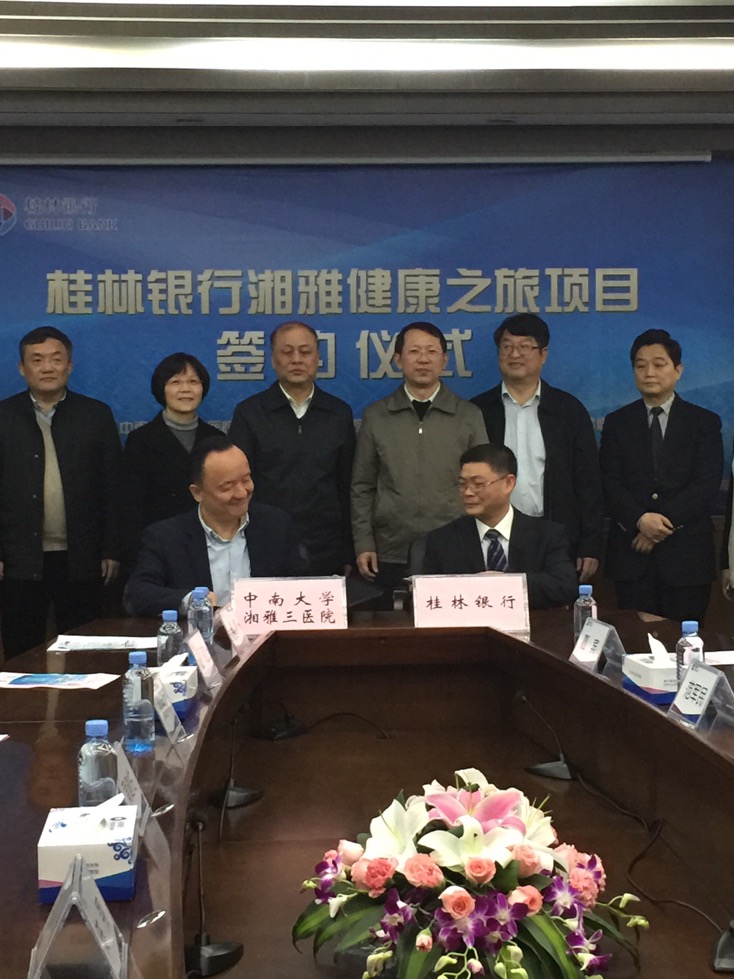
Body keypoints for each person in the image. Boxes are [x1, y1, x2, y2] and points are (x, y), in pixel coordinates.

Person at [0, 326, 121, 658]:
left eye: (56, 359)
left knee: (84, 653)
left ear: (69, 365)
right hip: (19, 559)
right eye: (37, 360)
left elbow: (113, 488)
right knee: (21, 653)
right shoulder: (4, 417)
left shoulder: (95, 415)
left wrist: (111, 549)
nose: (47, 367)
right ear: (22, 368)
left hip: (82, 558)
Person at [351, 321, 487, 604]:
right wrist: (364, 542)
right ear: (398, 359)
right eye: (414, 351)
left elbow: (482, 484)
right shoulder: (377, 416)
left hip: (453, 546)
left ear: (444, 360)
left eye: (431, 351)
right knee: (390, 626)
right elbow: (362, 486)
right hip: (390, 548)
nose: (423, 359)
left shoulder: (468, 415)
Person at [599, 328, 722, 624]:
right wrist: (640, 520)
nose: (649, 372)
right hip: (632, 557)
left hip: (687, 558)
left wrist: (660, 524)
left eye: (659, 364)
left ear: (678, 370)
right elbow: (608, 481)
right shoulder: (617, 423)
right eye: (640, 365)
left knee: (686, 643)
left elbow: (706, 483)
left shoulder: (703, 422)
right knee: (635, 642)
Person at [471, 313, 604, 583]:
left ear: (543, 354)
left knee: (552, 606)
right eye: (507, 346)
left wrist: (590, 543)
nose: (514, 354)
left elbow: (588, 482)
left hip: (554, 535)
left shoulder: (569, 411)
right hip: (492, 535)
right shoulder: (477, 411)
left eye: (525, 347)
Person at [124, 437, 307, 616]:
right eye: (227, 487)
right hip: (200, 634)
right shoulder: (166, 537)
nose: (241, 493)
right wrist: (190, 601)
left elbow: (302, 586)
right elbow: (137, 594)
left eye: (246, 480)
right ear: (197, 493)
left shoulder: (276, 525)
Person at [228, 321, 355, 575]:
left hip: (326, 545)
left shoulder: (338, 413)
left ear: (318, 358)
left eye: (305, 352)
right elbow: (238, 484)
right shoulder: (250, 413)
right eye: (287, 352)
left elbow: (347, 485)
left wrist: (349, 549)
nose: (296, 359)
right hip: (265, 541)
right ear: (273, 360)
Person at [422, 443, 578, 609]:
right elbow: (428, 596)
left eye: (478, 484)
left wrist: (506, 583)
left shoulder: (547, 535)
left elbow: (565, 587)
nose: (468, 492)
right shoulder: (442, 540)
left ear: (508, 483)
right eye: (462, 484)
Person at [119, 352, 222, 568]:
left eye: (193, 382)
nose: (185, 389)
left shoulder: (216, 439)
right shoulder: (140, 440)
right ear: (161, 389)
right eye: (175, 382)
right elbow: (130, 507)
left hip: (211, 546)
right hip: (158, 547)